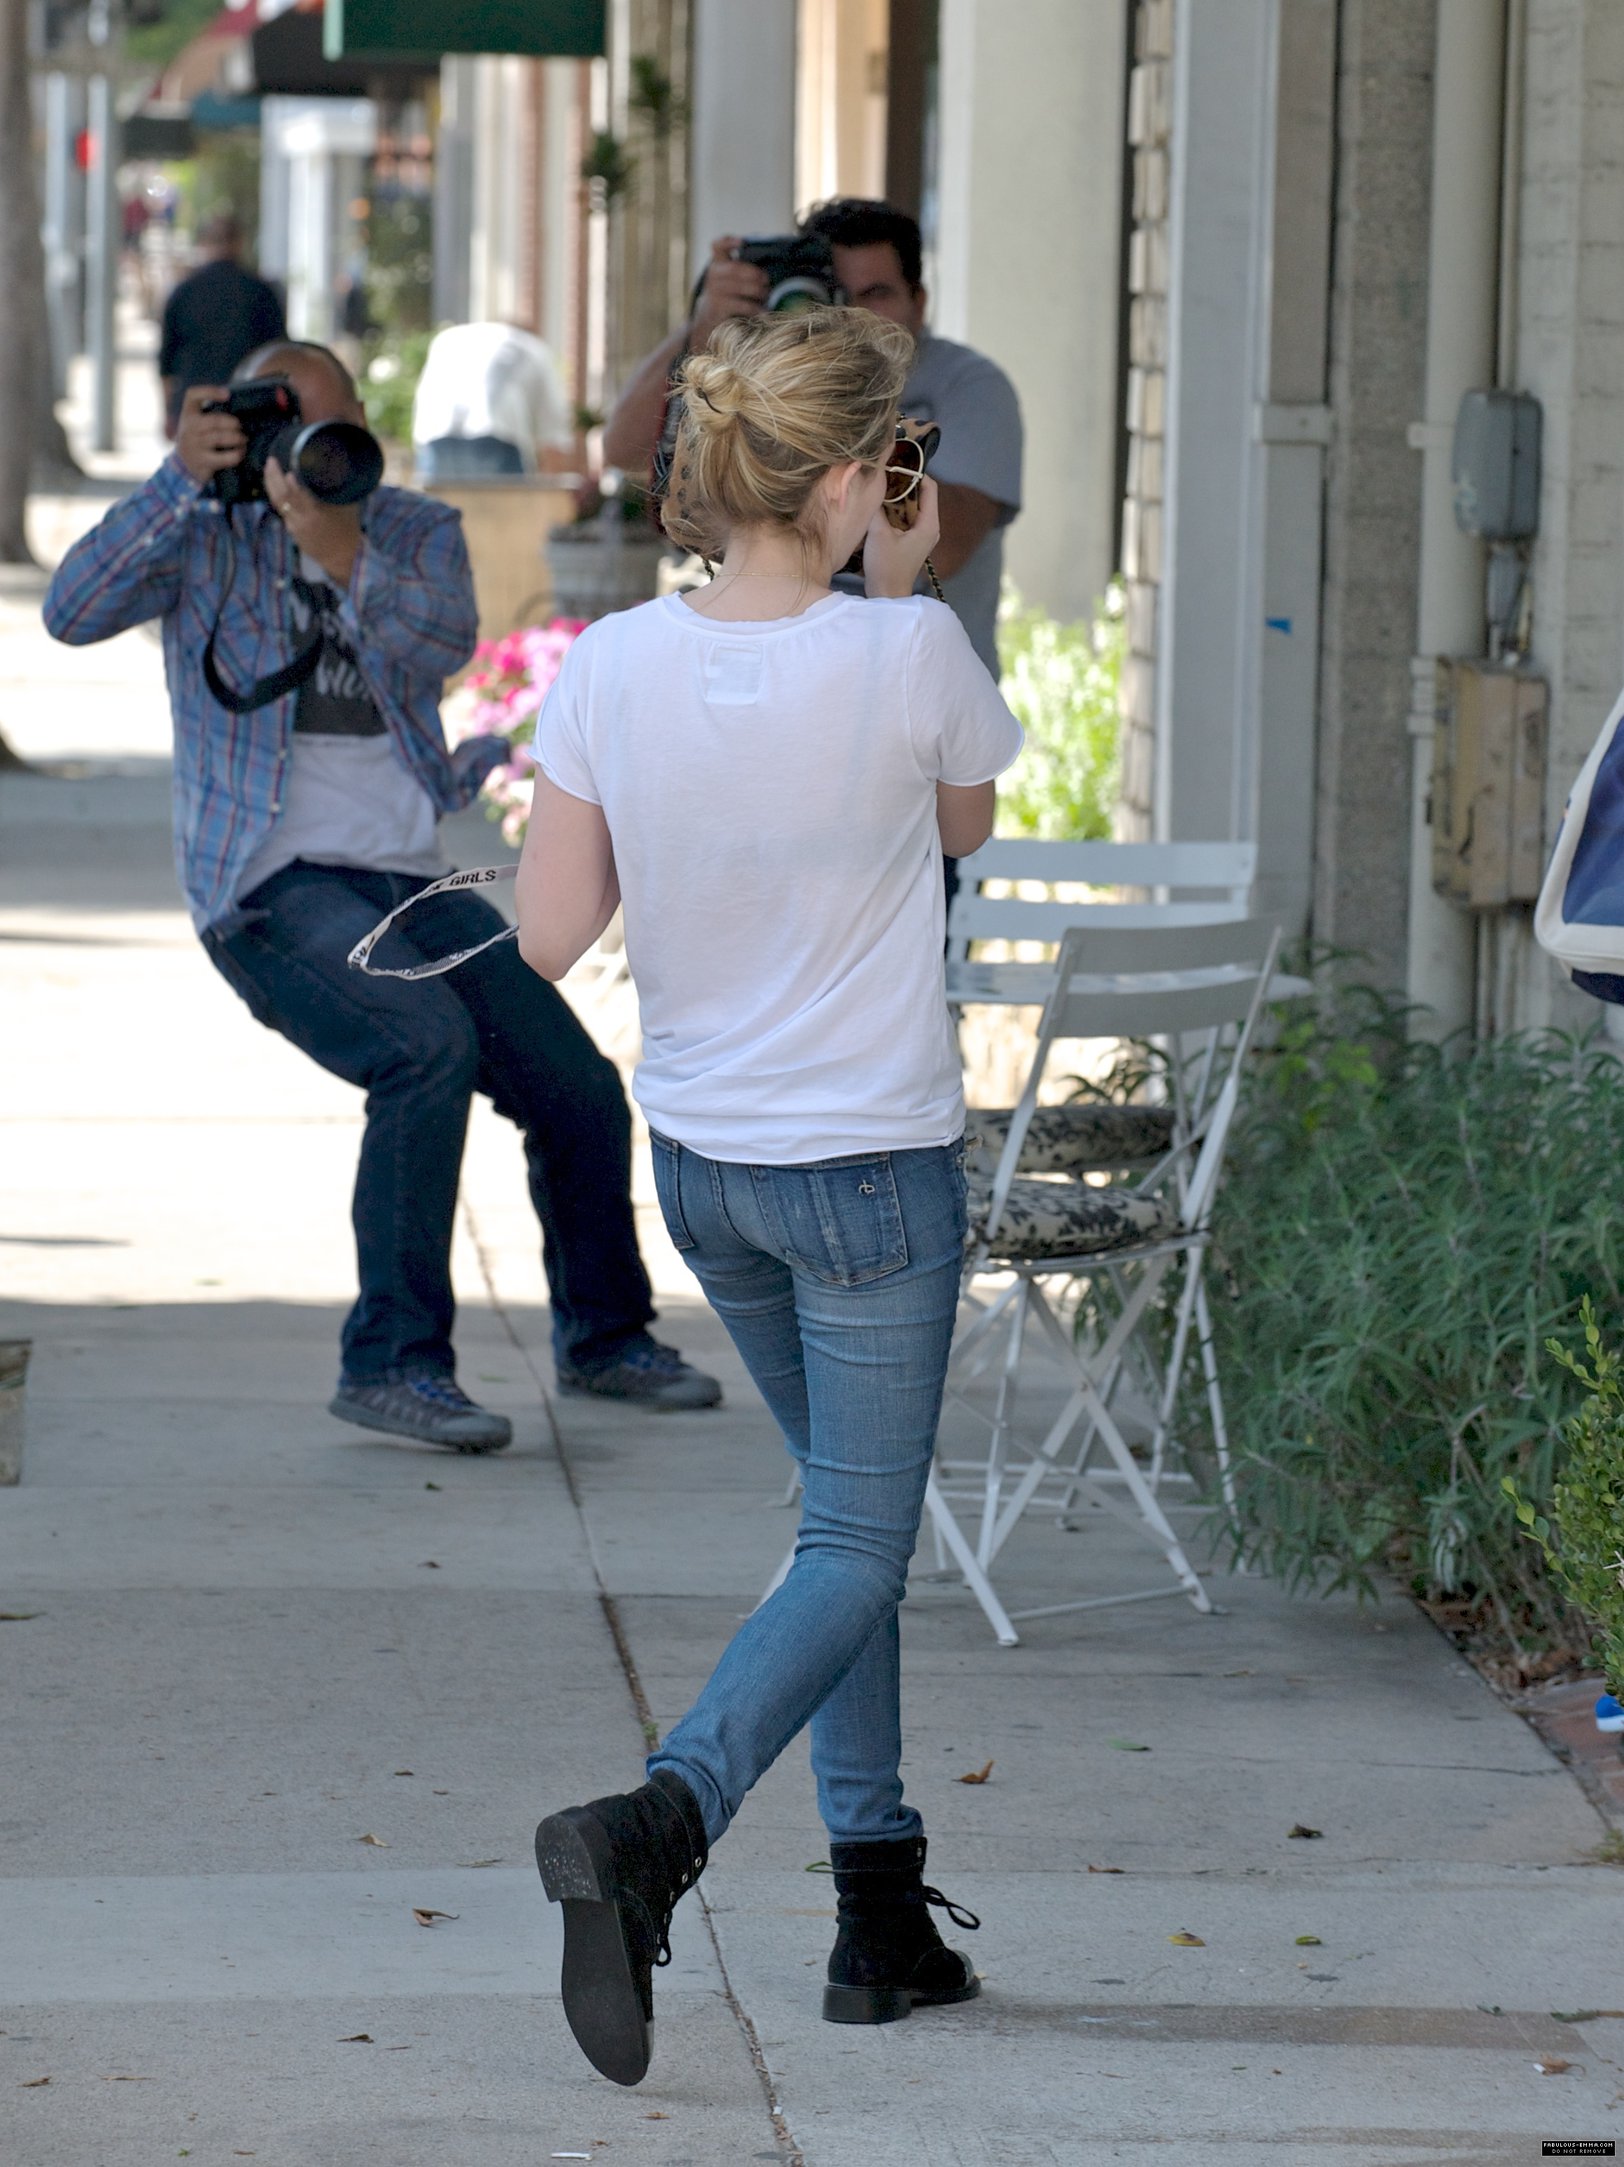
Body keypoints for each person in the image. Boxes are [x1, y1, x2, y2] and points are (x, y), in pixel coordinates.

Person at [519, 307, 1023, 2086]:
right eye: (897, 461)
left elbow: (550, 934)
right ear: (844, 477)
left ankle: (876, 1911)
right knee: (856, 1543)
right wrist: (897, 584)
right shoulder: (905, 655)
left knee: (835, 1525)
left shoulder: (605, 668)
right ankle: (663, 1816)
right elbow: (960, 822)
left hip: (707, 1170)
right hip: (869, 1174)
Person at [43, 338, 720, 1449]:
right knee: (420, 1044)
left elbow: (439, 643)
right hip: (266, 882)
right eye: (281, 422)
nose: (309, 447)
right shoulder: (203, 528)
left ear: (364, 422)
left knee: (578, 1085)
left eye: (330, 422)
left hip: (404, 876)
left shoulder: (409, 526)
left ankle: (606, 1337)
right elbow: (70, 611)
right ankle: (395, 1362)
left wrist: (339, 544)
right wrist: (178, 476)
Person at [602, 196, 1022, 682]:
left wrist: (818, 440)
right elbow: (621, 451)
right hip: (773, 681)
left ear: (919, 301)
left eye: (876, 294)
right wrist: (704, 331)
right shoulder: (760, 381)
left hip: (919, 691)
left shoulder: (969, 385)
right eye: (834, 293)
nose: (852, 315)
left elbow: (945, 551)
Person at [157, 211, 286, 437]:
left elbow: (167, 364)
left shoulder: (183, 293)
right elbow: (280, 357)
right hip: (249, 409)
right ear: (240, 242)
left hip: (195, 407)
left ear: (203, 244)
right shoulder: (261, 292)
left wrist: (168, 413)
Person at [412, 321, 575, 483]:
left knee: (441, 504)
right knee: (500, 506)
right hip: (495, 432)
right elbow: (554, 430)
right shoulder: (533, 347)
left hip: (435, 433)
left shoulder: (449, 338)